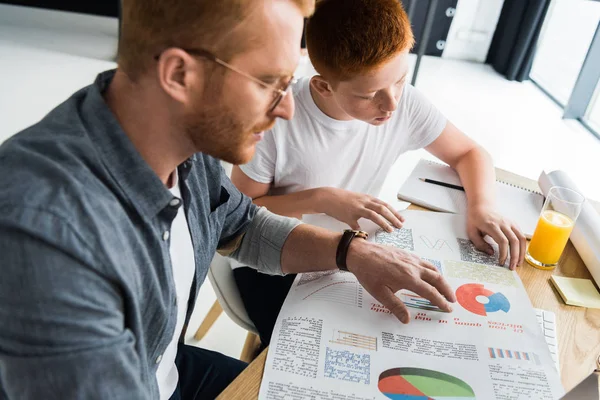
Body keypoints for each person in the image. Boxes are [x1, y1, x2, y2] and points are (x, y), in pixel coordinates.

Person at [0, 0, 457, 398]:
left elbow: (243, 225)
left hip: (168, 371)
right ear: (180, 74)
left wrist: (351, 252)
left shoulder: (183, 143)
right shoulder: (45, 238)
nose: (286, 108)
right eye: (267, 83)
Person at [232, 0, 527, 346]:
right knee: (320, 347)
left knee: (420, 329)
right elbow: (240, 213)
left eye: (400, 80)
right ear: (324, 86)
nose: (391, 104)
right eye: (370, 95)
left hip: (355, 254)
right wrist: (323, 198)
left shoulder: (404, 103)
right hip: (278, 259)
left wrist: (482, 206)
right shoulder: (277, 121)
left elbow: (469, 152)